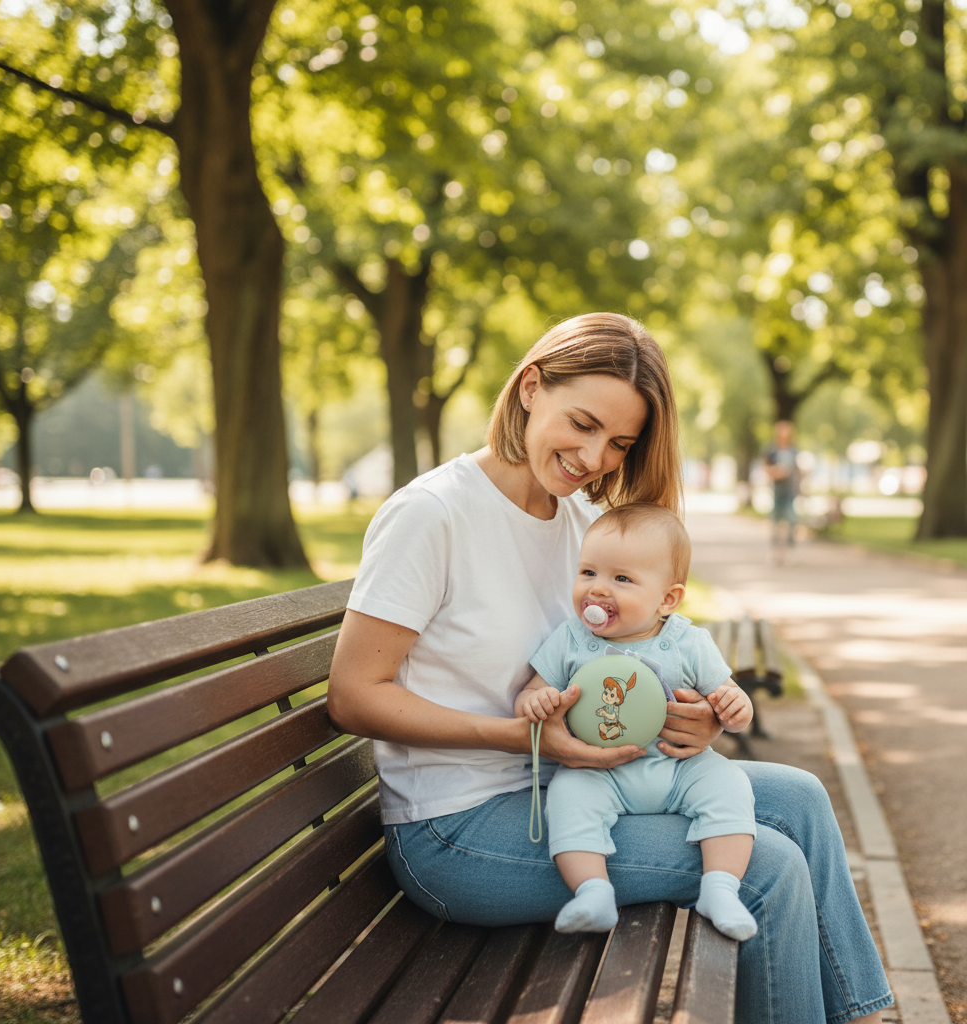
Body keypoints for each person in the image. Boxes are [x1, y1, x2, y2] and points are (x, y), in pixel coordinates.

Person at [328, 313, 892, 1024]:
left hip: (569, 786)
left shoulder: (575, 520)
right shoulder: (434, 515)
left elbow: (614, 660)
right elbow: (352, 696)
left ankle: (858, 1015)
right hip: (456, 829)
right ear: (531, 386)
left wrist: (683, 715)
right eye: (584, 424)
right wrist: (523, 738)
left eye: (619, 442)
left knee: (802, 798)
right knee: (767, 867)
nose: (595, 457)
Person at [516, 504, 758, 940]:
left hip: (676, 767)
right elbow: (531, 693)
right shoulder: (571, 638)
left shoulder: (687, 641)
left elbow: (727, 695)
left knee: (729, 785)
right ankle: (592, 891)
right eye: (588, 572)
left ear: (667, 598)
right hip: (597, 772)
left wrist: (735, 708)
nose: (598, 590)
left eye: (621, 579)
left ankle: (720, 888)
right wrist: (537, 703)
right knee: (567, 797)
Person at [764, 419, 799, 556]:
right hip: (777, 491)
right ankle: (774, 551)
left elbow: (797, 469)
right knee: (775, 521)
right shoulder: (772, 450)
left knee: (791, 520)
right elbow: (766, 466)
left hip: (790, 491)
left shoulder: (793, 450)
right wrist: (776, 472)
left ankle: (790, 550)